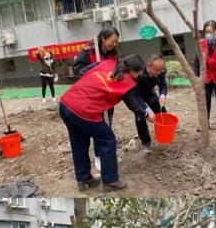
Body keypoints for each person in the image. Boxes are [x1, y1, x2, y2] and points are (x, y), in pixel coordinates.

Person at [59, 54, 155, 192]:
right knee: (107, 139)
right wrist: (147, 115)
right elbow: (133, 104)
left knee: (78, 141)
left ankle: (83, 179)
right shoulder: (125, 81)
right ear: (133, 71)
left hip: (66, 103)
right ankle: (110, 180)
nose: (139, 76)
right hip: (83, 109)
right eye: (139, 74)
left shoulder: (108, 64)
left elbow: (84, 71)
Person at [73, 26, 121, 172]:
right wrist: (96, 67)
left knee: (107, 126)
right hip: (91, 98)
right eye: (112, 41)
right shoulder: (87, 52)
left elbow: (118, 69)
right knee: (96, 128)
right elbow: (78, 73)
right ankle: (98, 157)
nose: (114, 44)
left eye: (116, 42)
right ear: (103, 39)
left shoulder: (114, 54)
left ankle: (106, 154)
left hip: (107, 97)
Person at [133, 54, 168, 150]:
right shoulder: (139, 73)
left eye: (161, 69)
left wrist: (162, 95)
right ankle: (146, 142)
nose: (159, 72)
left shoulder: (161, 71)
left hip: (150, 92)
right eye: (156, 70)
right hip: (137, 95)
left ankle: (163, 134)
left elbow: (163, 85)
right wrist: (145, 109)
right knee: (140, 116)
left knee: (162, 111)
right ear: (148, 66)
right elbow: (134, 94)